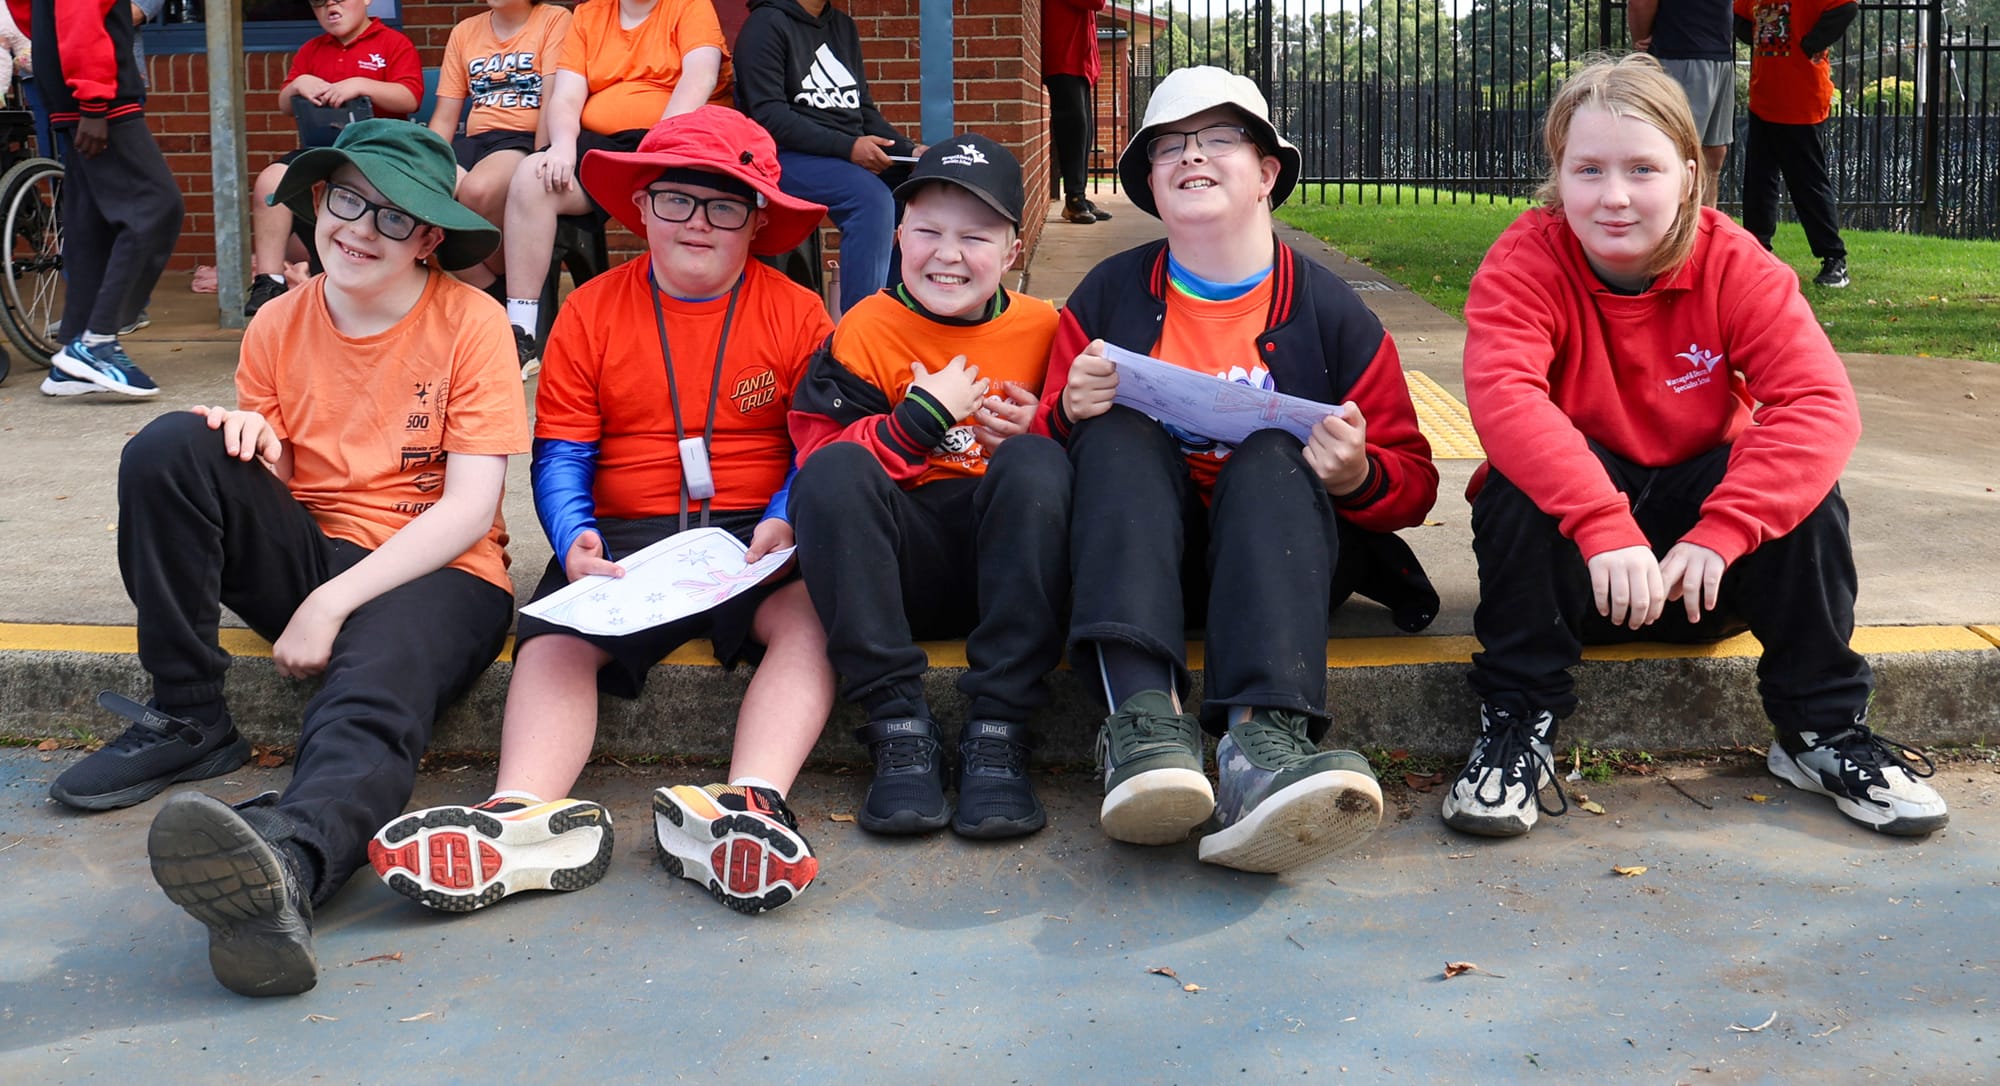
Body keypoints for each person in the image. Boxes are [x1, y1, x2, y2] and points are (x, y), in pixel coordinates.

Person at [45, 120, 530, 997]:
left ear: (428, 238)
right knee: (171, 446)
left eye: (393, 217)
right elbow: (275, 478)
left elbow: (467, 510)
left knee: (372, 693)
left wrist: (332, 603)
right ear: (317, 203)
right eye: (348, 201)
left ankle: (290, 860)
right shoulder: (276, 322)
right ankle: (189, 716)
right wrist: (250, 444)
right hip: (311, 550)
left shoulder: (473, 323)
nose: (361, 229)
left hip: (438, 571)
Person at [1442, 54, 1945, 841]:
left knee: (1805, 487)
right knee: (1518, 480)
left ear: (1687, 173)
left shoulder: (1733, 260)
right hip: (1586, 579)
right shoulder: (1526, 259)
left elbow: (1817, 402)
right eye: (1588, 169)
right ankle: (1517, 725)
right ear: (1559, 177)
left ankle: (1819, 730)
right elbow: (1507, 399)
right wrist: (1600, 522)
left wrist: (1727, 528)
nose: (1614, 195)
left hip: (1702, 579)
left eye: (1642, 169)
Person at [369, 107, 836, 916]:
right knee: (553, 638)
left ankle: (751, 806)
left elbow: (813, 443)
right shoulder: (589, 310)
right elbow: (562, 452)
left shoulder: (799, 313)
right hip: (622, 532)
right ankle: (518, 815)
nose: (697, 222)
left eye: (724, 206)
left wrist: (785, 513)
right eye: (676, 200)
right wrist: (573, 535)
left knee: (810, 621)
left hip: (753, 531)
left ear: (758, 221)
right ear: (641, 208)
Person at [1036, 67, 1440, 873]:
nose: (1192, 155)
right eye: (1169, 146)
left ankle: (1261, 747)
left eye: (1220, 139)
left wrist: (1356, 474)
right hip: (1139, 564)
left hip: (1278, 566)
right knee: (1116, 434)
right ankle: (1145, 730)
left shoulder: (1332, 312)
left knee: (1272, 451)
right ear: (1151, 184)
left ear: (1266, 173)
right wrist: (1067, 412)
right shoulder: (1108, 293)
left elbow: (1415, 483)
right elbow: (1040, 460)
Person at [788, 135, 1068, 840]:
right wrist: (917, 421)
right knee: (833, 470)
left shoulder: (1047, 329)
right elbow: (818, 466)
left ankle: (999, 729)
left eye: (975, 236)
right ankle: (898, 726)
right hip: (896, 575)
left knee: (1036, 465)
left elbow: (1096, 469)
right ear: (899, 237)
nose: (948, 254)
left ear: (1012, 252)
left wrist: (1043, 427)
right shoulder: (865, 328)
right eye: (927, 232)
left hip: (1014, 576)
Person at [500, 0, 733, 373]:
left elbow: (699, 79)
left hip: (677, 140)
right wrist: (562, 145)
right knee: (532, 177)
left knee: (684, 200)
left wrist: (658, 145)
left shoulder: (690, 6)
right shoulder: (589, 15)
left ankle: (689, 329)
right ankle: (521, 332)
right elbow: (567, 96)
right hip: (601, 145)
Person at [30, 0, 182, 398]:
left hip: (70, 94)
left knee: (92, 222)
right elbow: (79, 12)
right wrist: (94, 100)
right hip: (100, 101)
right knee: (156, 206)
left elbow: (30, 12)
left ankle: (74, 350)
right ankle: (96, 344)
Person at [734, 0, 920, 317]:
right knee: (869, 199)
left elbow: (863, 111)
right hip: (781, 158)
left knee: (921, 186)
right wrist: (848, 147)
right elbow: (768, 116)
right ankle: (860, 328)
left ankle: (897, 310)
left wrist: (909, 150)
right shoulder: (765, 25)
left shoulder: (842, 27)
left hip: (840, 152)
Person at [243, 0, 423, 317]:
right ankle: (269, 281)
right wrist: (298, 85)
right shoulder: (312, 50)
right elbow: (284, 104)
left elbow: (410, 97)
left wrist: (362, 85)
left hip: (377, 152)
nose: (329, 6)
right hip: (322, 152)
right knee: (270, 180)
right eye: (318, 2)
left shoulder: (393, 43)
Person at [429, 0, 574, 297]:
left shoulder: (553, 19)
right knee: (423, 193)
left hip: (520, 138)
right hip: (475, 142)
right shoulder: (464, 31)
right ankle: (495, 292)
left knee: (476, 190)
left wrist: (540, 155)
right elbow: (444, 118)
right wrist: (421, 160)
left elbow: (552, 98)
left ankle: (505, 290)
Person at [1735, 0, 1857, 287]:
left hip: (1802, 101)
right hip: (1763, 98)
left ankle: (1834, 258)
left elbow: (1847, 7)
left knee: (1808, 183)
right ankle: (1757, 253)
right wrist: (1758, 36)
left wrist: (1810, 43)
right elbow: (1737, 16)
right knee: (1758, 184)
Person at [1628, 0, 1734, 207]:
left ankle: (1702, 224)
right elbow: (1640, 4)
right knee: (1679, 154)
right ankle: (1675, 225)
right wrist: (1642, 42)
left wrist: (1640, 40)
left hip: (1715, 56)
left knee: (1711, 156)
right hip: (1681, 55)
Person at [1042, 0, 1111, 224]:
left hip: (1079, 61)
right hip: (1064, 57)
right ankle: (1073, 198)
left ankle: (1078, 195)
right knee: (1073, 129)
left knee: (1084, 131)